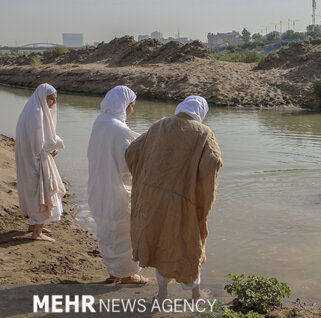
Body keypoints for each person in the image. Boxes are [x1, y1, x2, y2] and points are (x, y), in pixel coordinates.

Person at [125, 96, 222, 301]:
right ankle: (195, 294)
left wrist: (146, 180)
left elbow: (132, 152)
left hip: (152, 198)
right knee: (188, 243)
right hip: (181, 200)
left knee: (161, 242)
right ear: (201, 112)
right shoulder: (204, 133)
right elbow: (211, 162)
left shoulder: (158, 125)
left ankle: (162, 293)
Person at [87, 86, 147, 284]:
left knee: (107, 230)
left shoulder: (101, 121)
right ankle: (128, 275)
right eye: (132, 106)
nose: (132, 110)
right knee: (124, 233)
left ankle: (114, 271)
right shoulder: (119, 129)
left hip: (98, 186)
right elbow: (126, 165)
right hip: (116, 189)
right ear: (125, 105)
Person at [15, 83, 65, 242]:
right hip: (36, 160)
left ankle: (34, 224)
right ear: (43, 98)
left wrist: (50, 147)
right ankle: (37, 232)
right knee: (43, 192)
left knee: (33, 191)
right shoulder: (37, 113)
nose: (53, 103)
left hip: (29, 158)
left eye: (55, 100)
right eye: (51, 99)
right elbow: (41, 143)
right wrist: (56, 145)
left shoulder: (31, 109)